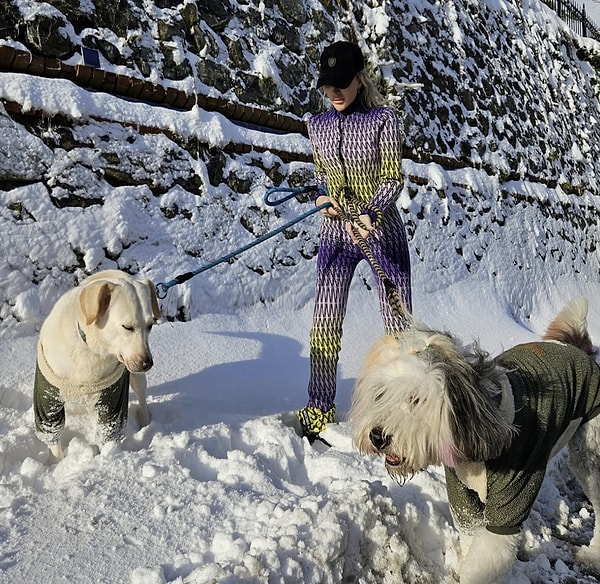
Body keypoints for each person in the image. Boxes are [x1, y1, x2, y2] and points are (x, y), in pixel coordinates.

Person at [298, 40, 412, 443]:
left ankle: (401, 407)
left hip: (381, 233)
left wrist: (371, 212)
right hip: (335, 233)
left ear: (360, 80)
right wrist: (321, 197)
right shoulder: (317, 125)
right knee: (324, 321)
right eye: (329, 86)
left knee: (398, 328)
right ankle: (319, 404)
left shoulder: (384, 120)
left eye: (342, 83)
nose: (335, 92)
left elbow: (392, 178)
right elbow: (320, 174)